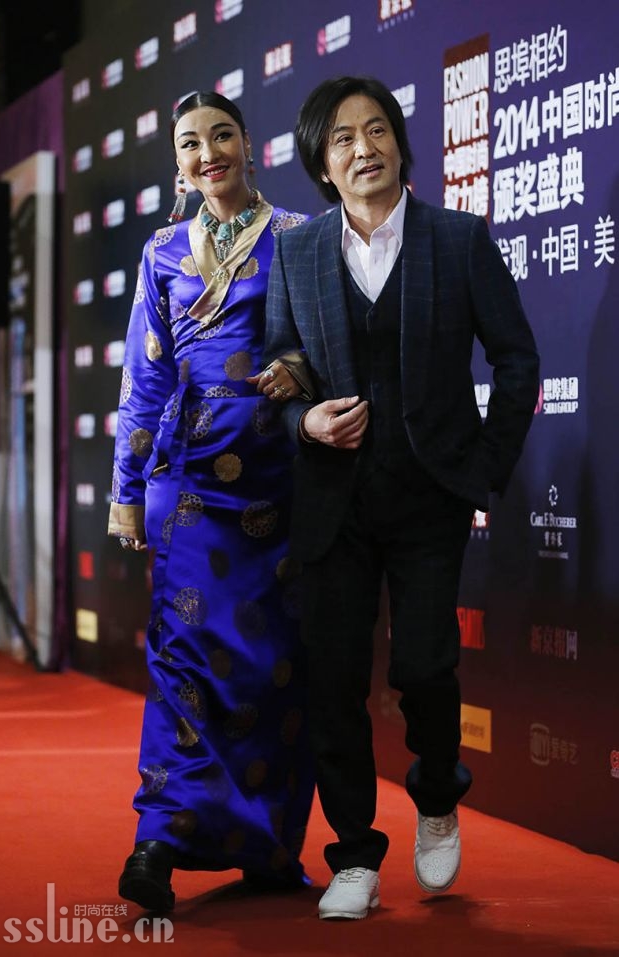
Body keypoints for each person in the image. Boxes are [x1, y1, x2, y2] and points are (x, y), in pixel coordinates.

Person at [263, 75, 540, 920]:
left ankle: (437, 795)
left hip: (429, 497)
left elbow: (518, 360)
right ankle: (353, 852)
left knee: (424, 666)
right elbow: (279, 372)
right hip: (332, 503)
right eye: (343, 138)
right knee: (335, 679)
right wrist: (306, 421)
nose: (365, 148)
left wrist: (482, 466)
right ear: (322, 165)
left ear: (400, 142)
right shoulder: (298, 252)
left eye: (377, 129)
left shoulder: (457, 239)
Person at [108, 90, 315, 913]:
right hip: (190, 488)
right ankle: (157, 842)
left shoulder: (299, 236)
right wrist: (127, 493)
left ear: (248, 143)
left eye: (220, 135)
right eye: (190, 144)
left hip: (281, 486)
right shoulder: (162, 250)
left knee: (273, 671)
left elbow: (331, 345)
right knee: (181, 664)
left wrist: (299, 368)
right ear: (179, 165)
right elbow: (144, 377)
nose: (208, 154)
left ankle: (267, 847)